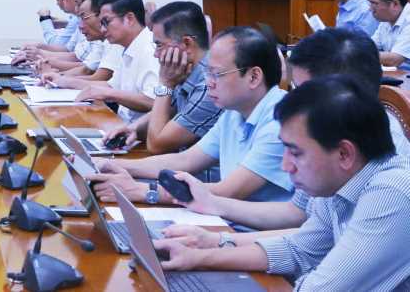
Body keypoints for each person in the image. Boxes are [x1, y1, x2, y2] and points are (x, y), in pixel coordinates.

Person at [155, 76, 410, 291]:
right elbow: (299, 249)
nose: (286, 166)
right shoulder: (339, 182)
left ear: (344, 154)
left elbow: (319, 289)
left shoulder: (392, 193)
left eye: (295, 152)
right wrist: (198, 257)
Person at [162, 27, 410, 245]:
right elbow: (301, 218)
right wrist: (215, 240)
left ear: (342, 94)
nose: (294, 100)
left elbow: (321, 252)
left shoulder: (387, 170)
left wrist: (218, 240)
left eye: (302, 91)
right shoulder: (337, 131)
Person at [87, 26, 292, 204]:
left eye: (217, 74)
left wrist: (142, 191)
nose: (209, 83)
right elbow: (185, 160)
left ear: (254, 77)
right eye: (207, 73)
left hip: (249, 231)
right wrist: (111, 165)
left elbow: (228, 191)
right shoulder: (234, 112)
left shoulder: (280, 122)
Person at [105, 1, 221, 158]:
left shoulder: (209, 86)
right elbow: (170, 110)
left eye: (159, 45)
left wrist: (165, 83)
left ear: (186, 43)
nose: (155, 54)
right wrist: (133, 128)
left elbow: (156, 145)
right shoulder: (185, 71)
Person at [74, 0, 159, 123]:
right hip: (123, 126)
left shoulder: (150, 50)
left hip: (140, 133)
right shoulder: (128, 47)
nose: (103, 29)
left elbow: (153, 101)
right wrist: (63, 81)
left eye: (106, 22)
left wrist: (108, 94)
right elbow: (111, 86)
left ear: (129, 19)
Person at [39, 0, 119, 82]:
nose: (80, 26)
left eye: (77, 2)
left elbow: (96, 77)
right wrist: (56, 76)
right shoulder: (103, 41)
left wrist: (58, 76)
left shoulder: (115, 43)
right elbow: (86, 68)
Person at [368, 0, 410, 66]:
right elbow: (370, 46)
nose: (370, 9)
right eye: (369, 3)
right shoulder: (386, 20)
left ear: (395, 4)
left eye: (374, 3)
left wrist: (358, 54)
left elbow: (394, 59)